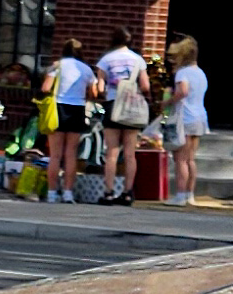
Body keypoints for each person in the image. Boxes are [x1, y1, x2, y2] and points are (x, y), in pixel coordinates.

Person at [96, 26, 151, 205]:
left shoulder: (106, 59)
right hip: (131, 107)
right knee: (129, 153)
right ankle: (128, 192)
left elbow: (100, 88)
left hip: (113, 105)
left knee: (111, 152)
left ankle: (108, 192)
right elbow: (145, 86)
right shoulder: (138, 60)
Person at [39, 36, 97, 203]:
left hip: (58, 109)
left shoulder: (57, 66)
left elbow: (45, 88)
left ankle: (51, 193)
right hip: (77, 109)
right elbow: (94, 93)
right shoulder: (86, 69)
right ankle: (68, 193)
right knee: (71, 154)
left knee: (55, 155)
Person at [166, 34, 209, 206]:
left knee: (180, 159)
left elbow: (182, 92)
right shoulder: (201, 73)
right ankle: (190, 194)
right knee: (190, 159)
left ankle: (180, 195)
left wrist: (167, 102)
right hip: (200, 117)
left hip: (185, 118)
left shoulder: (182, 73)